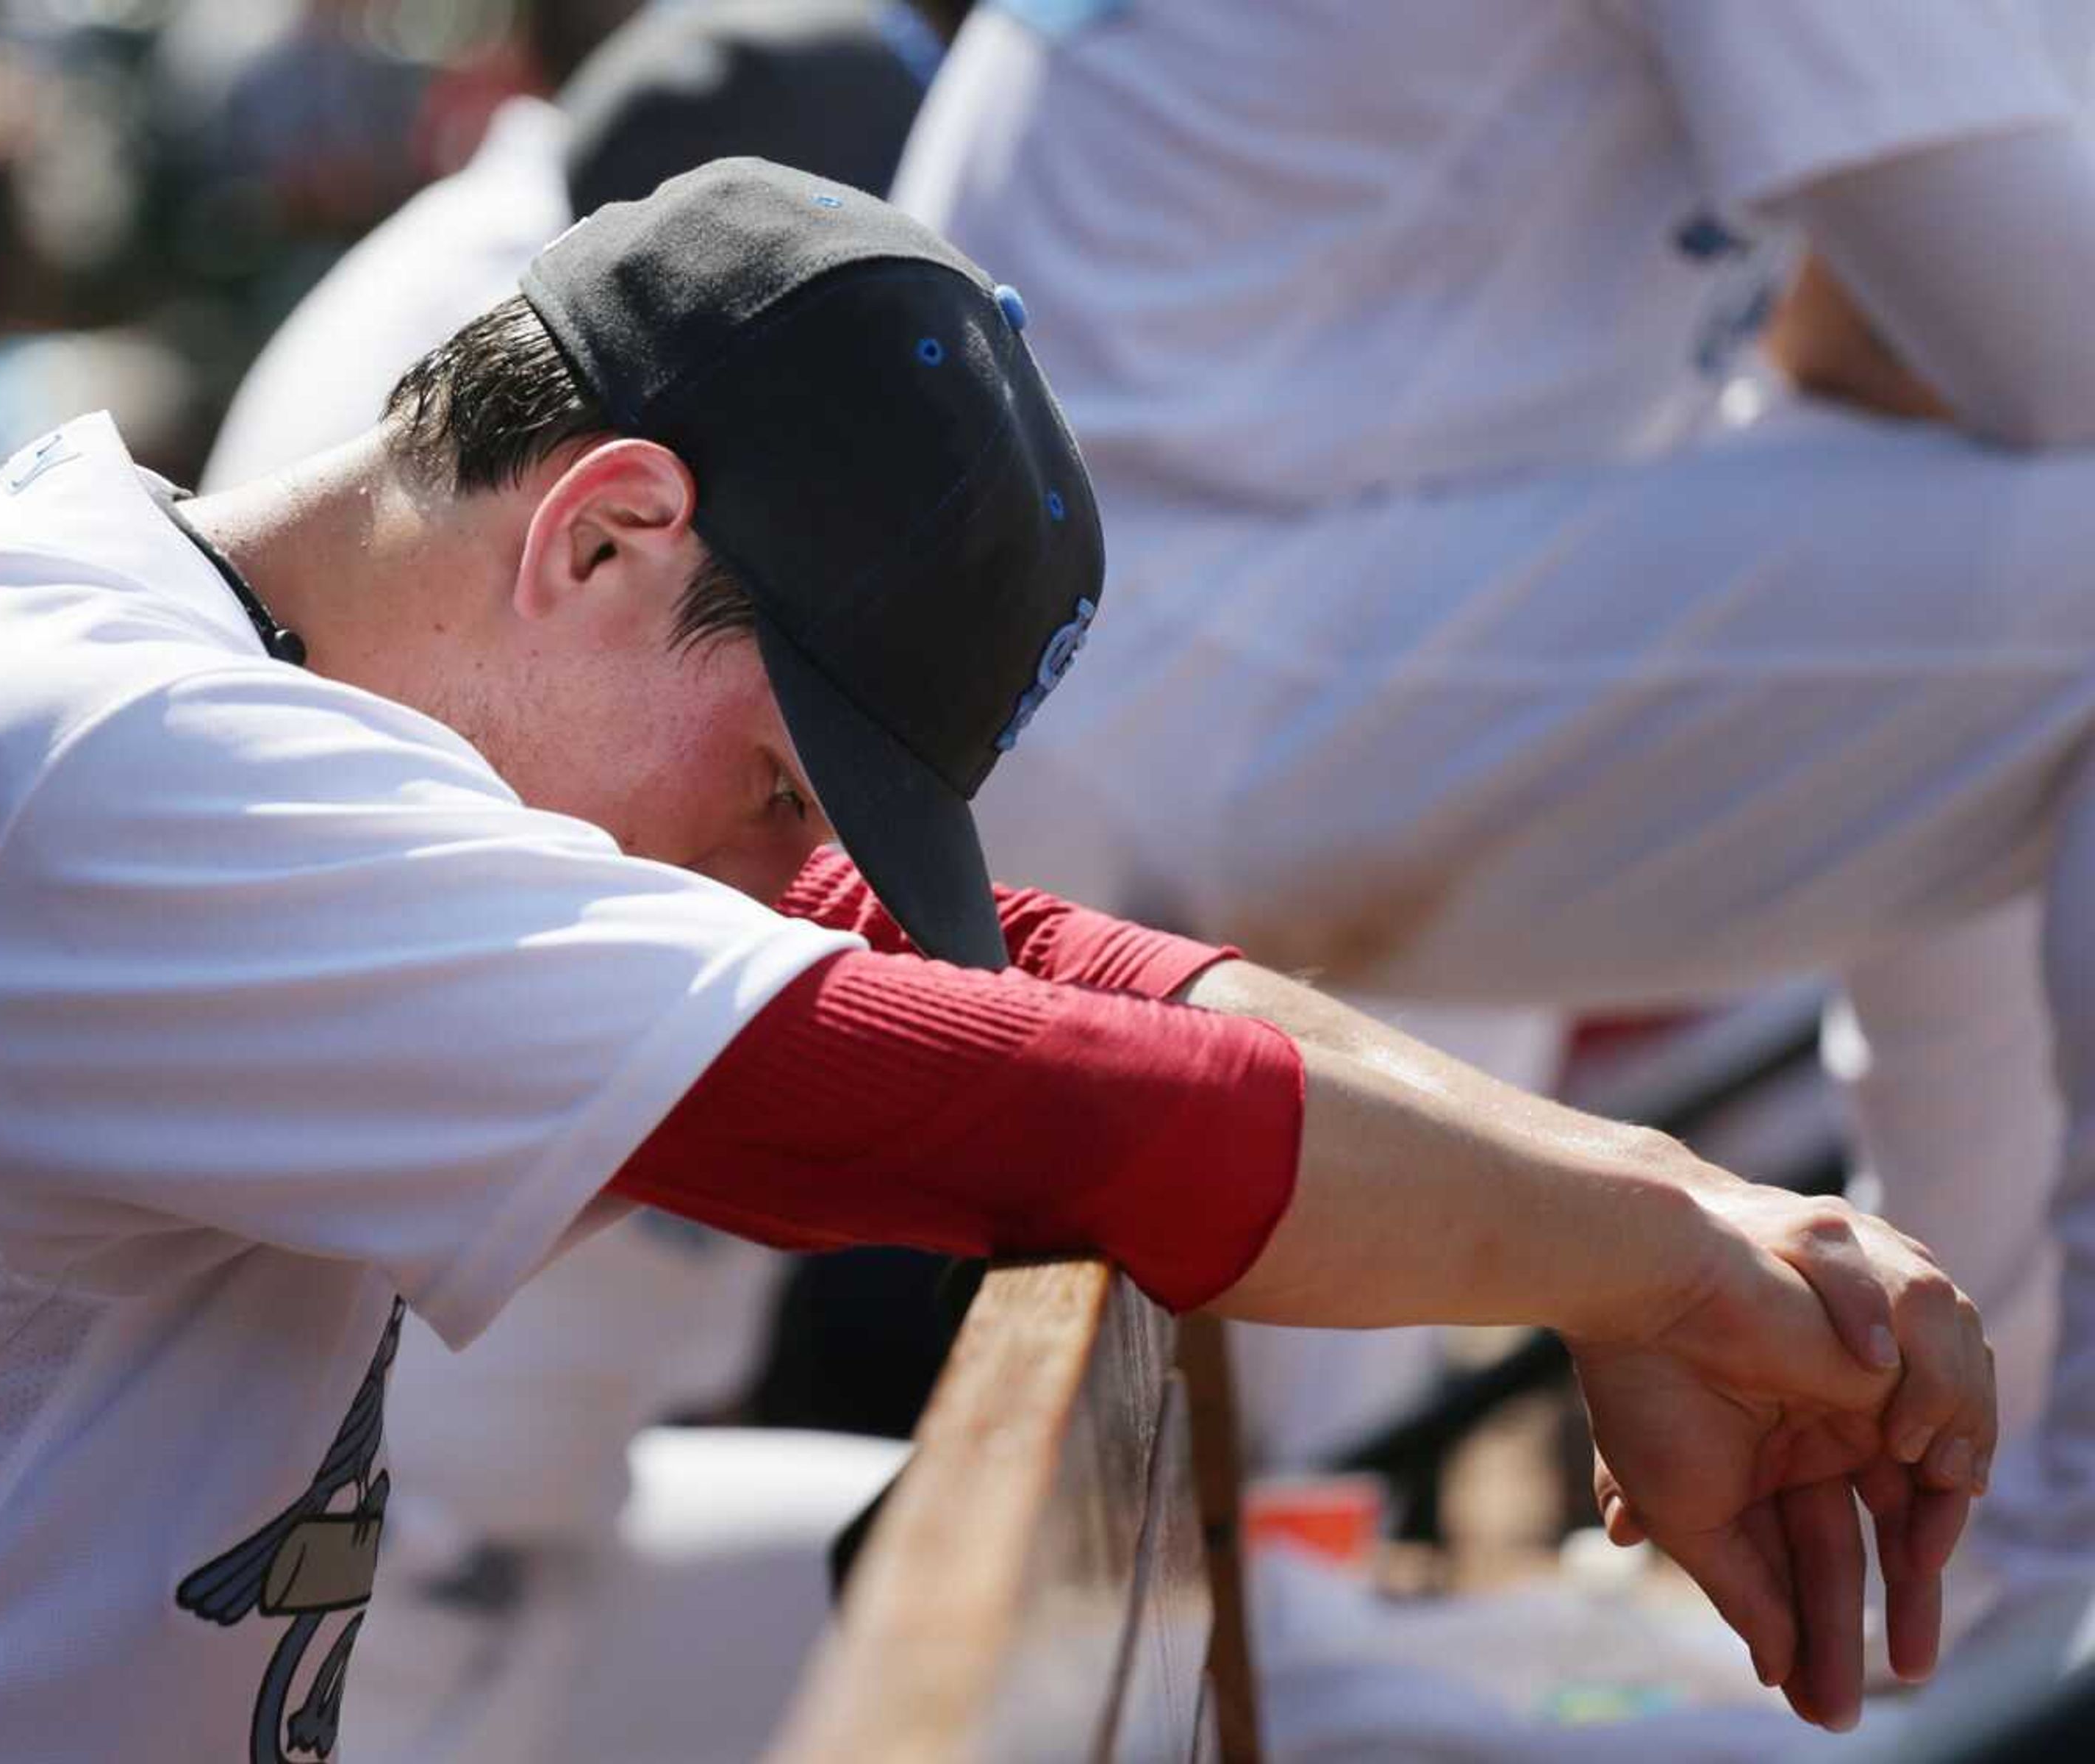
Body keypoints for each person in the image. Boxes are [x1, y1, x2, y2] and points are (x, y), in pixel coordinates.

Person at [0, 160, 1988, 1757]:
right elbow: (1048, 1123)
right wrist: (1694, 1261)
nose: (768, 866)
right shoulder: (124, 769)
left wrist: (1658, 1205)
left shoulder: (141, 633)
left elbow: (1059, 990)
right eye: (782, 778)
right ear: (599, 533)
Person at [894, 0, 2095, 1652]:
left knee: (1271, 1601)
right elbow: (2048, 354)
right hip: (1167, 652)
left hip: (1167, 629)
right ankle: (2037, 1567)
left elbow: (1905, 376)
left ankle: (1989, 1562)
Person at [201, 5, 963, 1758]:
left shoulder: (584, 299)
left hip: (531, 1502)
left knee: (1090, 1612)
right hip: (334, 1561)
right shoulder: (451, 393)